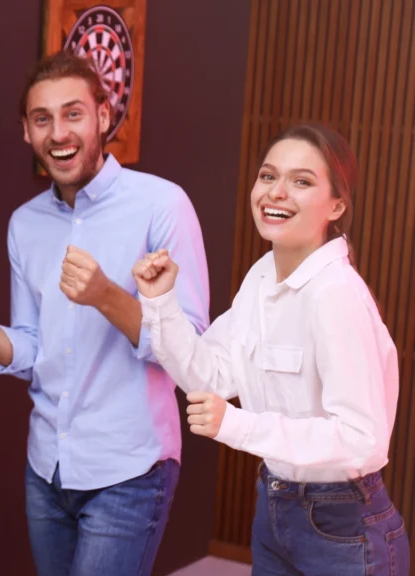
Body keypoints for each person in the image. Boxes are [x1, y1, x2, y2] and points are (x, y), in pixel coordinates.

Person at [0, 50, 211, 575]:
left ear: (103, 115)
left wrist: (106, 295)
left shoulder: (162, 206)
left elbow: (190, 352)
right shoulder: (25, 224)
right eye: (42, 119)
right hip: (48, 468)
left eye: (73, 113)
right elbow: (33, 349)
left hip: (130, 467)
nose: (59, 132)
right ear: (25, 133)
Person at [133, 123, 409, 575]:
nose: (276, 192)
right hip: (276, 506)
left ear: (336, 205)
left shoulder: (334, 294)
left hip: (344, 527)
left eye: (301, 181)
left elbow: (363, 439)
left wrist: (239, 425)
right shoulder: (262, 277)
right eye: (268, 176)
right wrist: (160, 301)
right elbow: (210, 377)